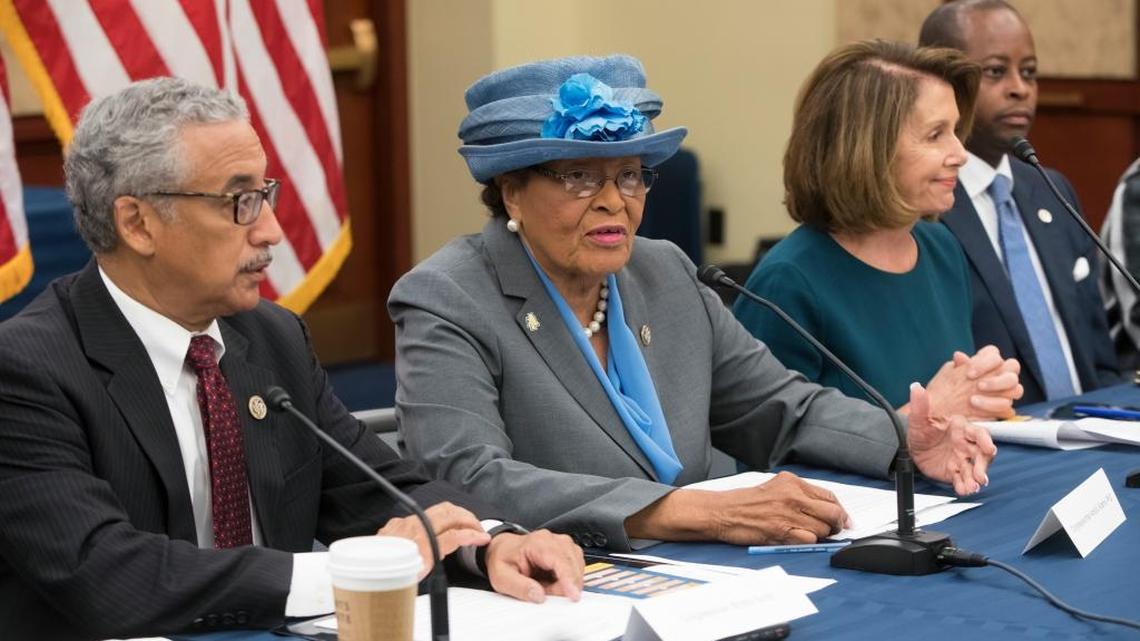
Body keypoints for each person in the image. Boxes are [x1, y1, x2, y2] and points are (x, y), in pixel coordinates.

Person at [0, 77, 583, 641]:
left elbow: (382, 490)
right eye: (241, 203)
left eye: (266, 196)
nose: (272, 232)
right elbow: (109, 576)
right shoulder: (28, 369)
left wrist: (491, 542)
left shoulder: (269, 338)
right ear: (137, 223)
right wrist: (356, 571)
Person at [389, 54, 996, 555]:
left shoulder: (664, 270)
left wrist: (902, 440)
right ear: (511, 191)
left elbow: (778, 406)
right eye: (579, 176)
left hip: (720, 574)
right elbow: (467, 477)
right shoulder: (448, 296)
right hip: (572, 581)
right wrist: (691, 510)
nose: (613, 201)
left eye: (630, 175)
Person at [733, 41, 1022, 418]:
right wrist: (927, 416)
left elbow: (952, 409)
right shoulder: (787, 281)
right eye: (935, 135)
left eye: (955, 131)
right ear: (868, 149)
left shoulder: (941, 247)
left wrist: (982, 393)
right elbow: (765, 451)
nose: (960, 154)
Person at [919, 0, 1121, 404]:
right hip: (998, 442)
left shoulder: (1052, 189)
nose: (1020, 87)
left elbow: (1098, 351)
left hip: (1094, 430)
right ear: (943, 81)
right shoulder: (925, 204)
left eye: (1029, 72)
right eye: (996, 71)